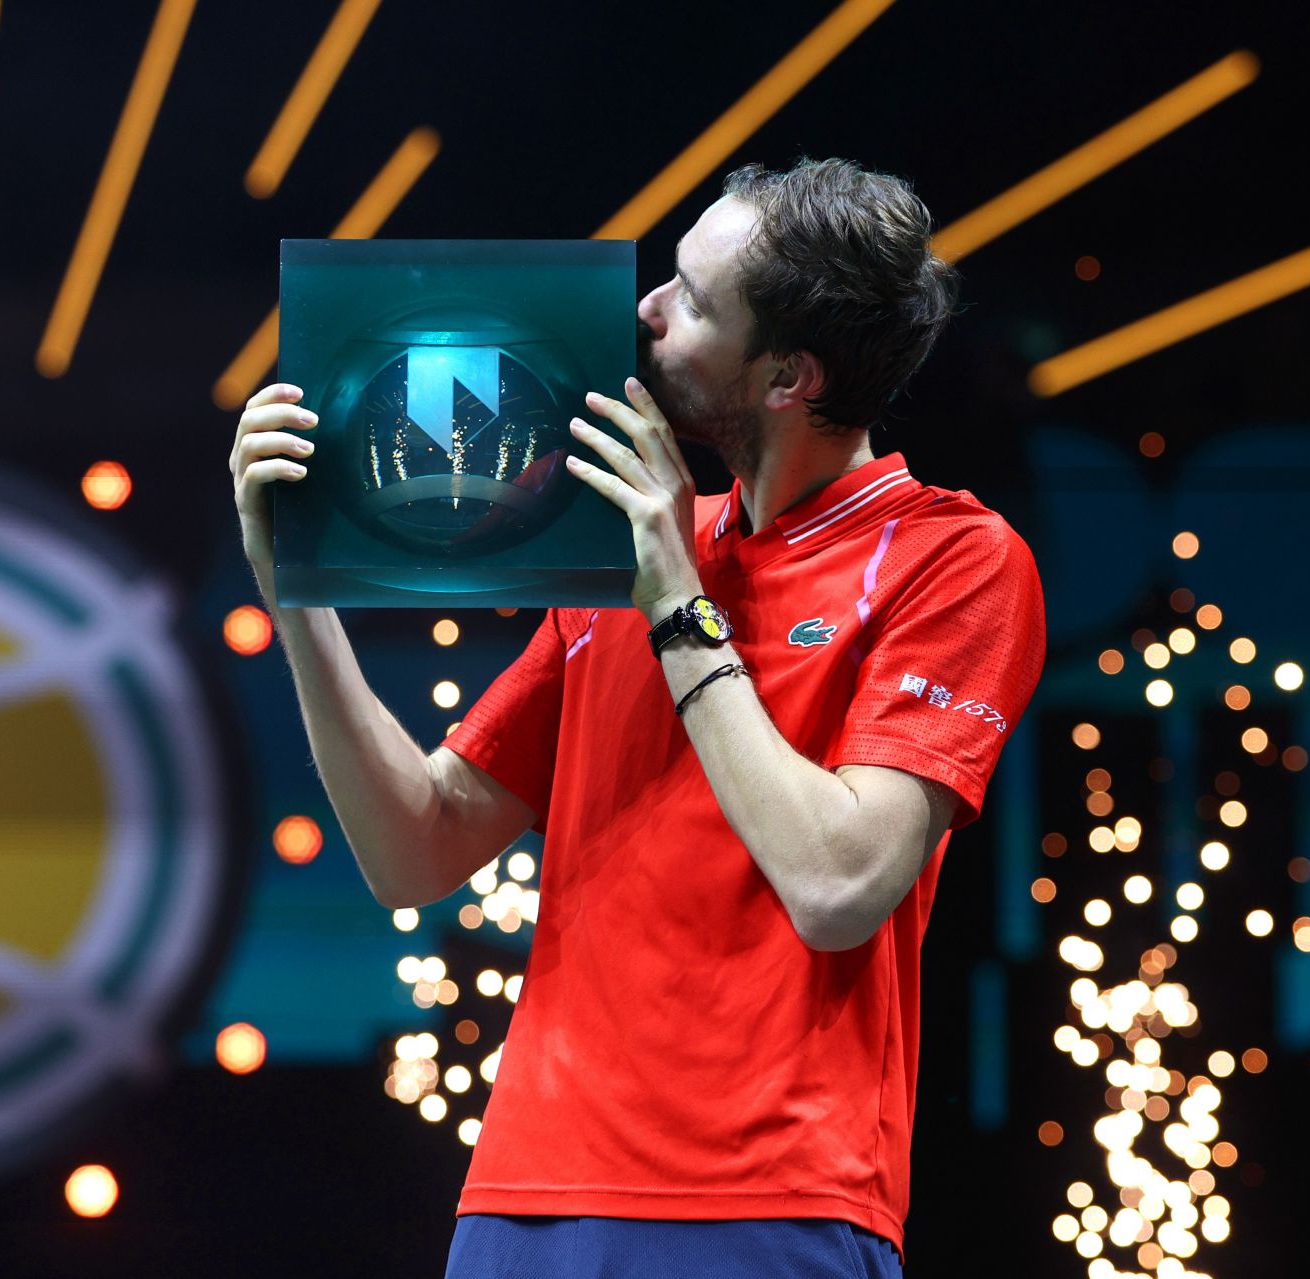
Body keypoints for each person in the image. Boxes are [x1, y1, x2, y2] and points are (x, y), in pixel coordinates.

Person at [228, 156, 1045, 1277]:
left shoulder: (952, 561)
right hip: (522, 1201)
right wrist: (300, 592)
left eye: (695, 301)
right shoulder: (619, 548)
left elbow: (840, 884)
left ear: (788, 378)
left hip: (771, 1204)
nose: (647, 312)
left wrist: (675, 602)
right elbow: (416, 846)